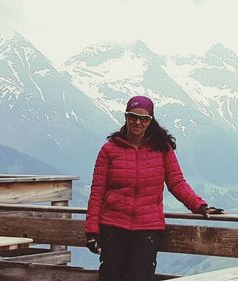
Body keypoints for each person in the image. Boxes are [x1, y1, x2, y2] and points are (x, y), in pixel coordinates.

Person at [84, 95, 226, 281]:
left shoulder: (162, 149)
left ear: (150, 121)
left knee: (140, 277)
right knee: (111, 276)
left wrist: (199, 205)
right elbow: (98, 192)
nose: (138, 122)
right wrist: (92, 230)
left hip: (147, 228)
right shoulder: (109, 150)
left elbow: (177, 183)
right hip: (113, 226)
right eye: (133, 116)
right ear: (125, 117)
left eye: (144, 119)